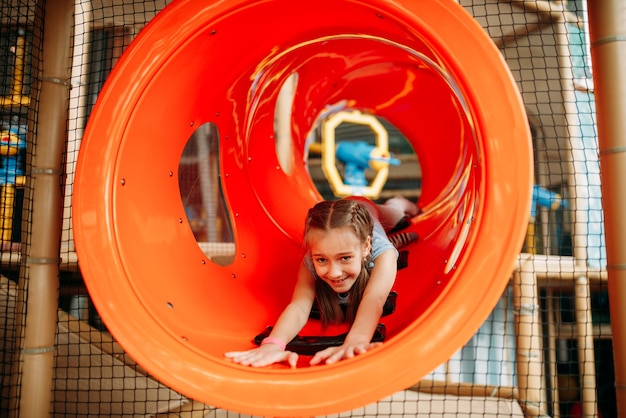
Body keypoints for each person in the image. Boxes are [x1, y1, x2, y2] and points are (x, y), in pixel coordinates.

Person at [224, 196, 419, 368]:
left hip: (366, 208)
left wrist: (355, 340)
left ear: (366, 246)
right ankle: (392, 241)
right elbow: (299, 307)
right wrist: (272, 345)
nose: (334, 273)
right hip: (350, 227)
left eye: (345, 258)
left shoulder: (383, 254)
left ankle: (400, 203)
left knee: (396, 216)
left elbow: (374, 297)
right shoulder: (310, 260)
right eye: (322, 260)